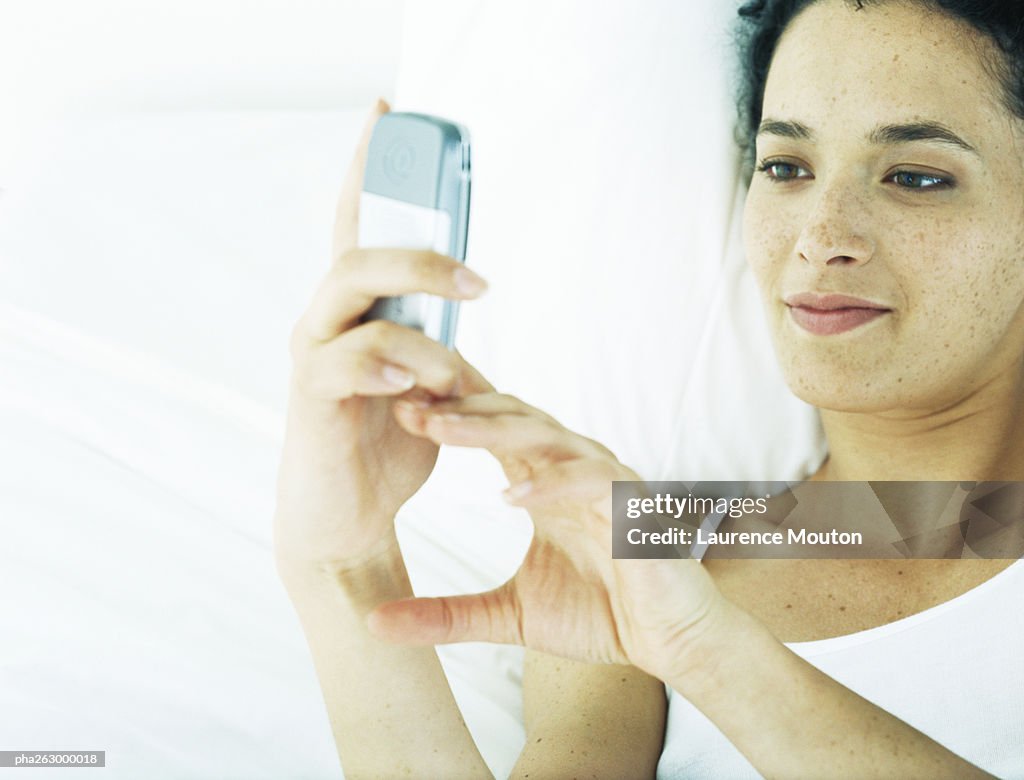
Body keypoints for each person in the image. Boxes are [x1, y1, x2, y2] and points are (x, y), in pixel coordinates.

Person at [272, 0, 1024, 776]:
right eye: (787, 168)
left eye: (916, 176)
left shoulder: (663, 588)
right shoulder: (652, 543)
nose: (821, 237)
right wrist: (342, 565)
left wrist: (708, 654)